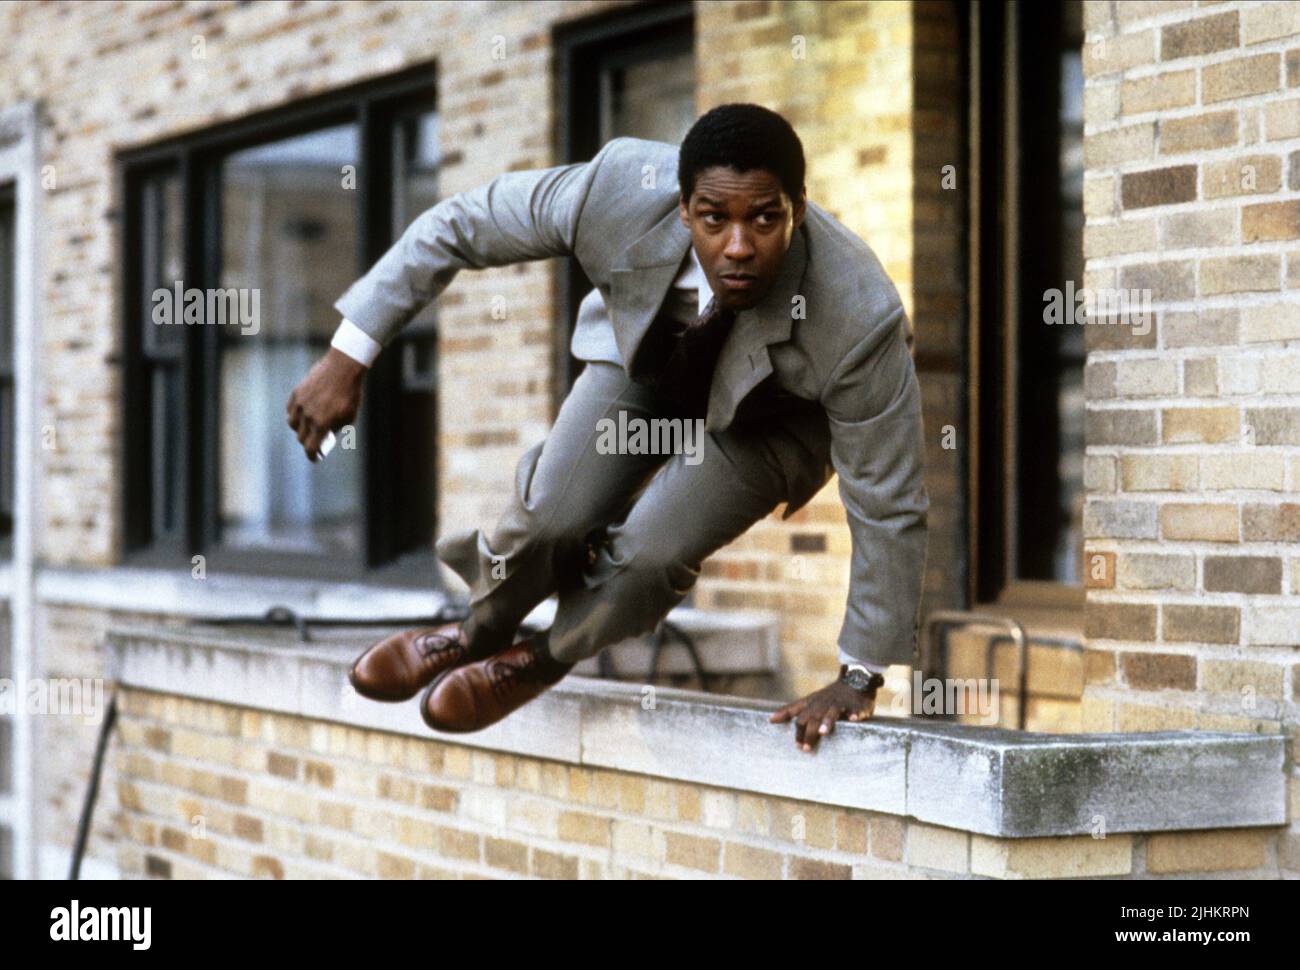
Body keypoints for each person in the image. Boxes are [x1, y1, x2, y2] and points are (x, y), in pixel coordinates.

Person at [286, 103, 929, 754]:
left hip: (774, 417)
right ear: (682, 208)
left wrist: (860, 674)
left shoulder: (860, 316)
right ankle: (476, 630)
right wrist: (348, 356)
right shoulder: (617, 187)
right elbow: (460, 224)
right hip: (647, 360)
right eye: (714, 218)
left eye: (766, 218)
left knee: (649, 552)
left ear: (798, 206)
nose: (738, 246)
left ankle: (545, 657)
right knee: (551, 517)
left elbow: (888, 501)